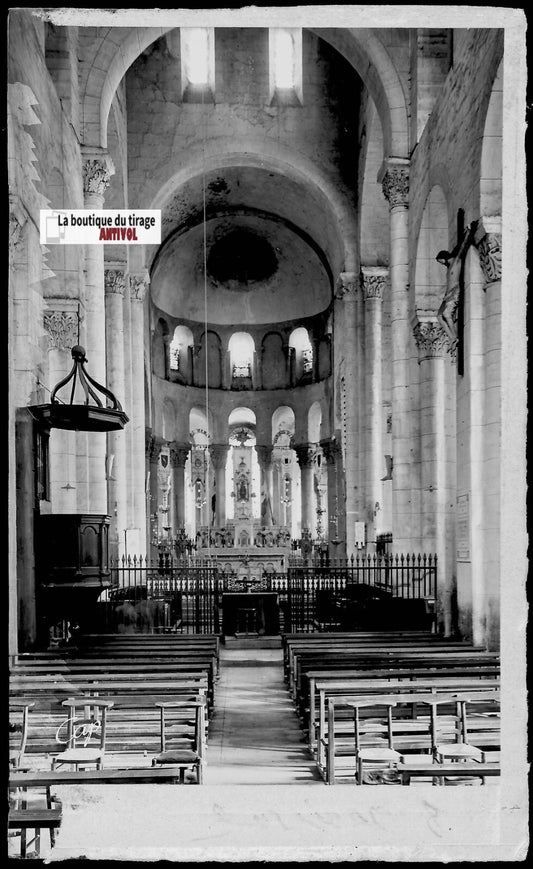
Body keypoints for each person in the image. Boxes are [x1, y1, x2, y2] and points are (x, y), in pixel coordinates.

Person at [436, 221, 477, 350]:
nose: (441, 263)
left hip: (454, 293)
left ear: (443, 258)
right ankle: (451, 337)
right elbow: (458, 246)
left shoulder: (456, 262)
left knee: (447, 315)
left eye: (440, 261)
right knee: (438, 315)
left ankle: (454, 337)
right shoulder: (449, 266)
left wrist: (469, 232)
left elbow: (462, 247)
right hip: (447, 295)